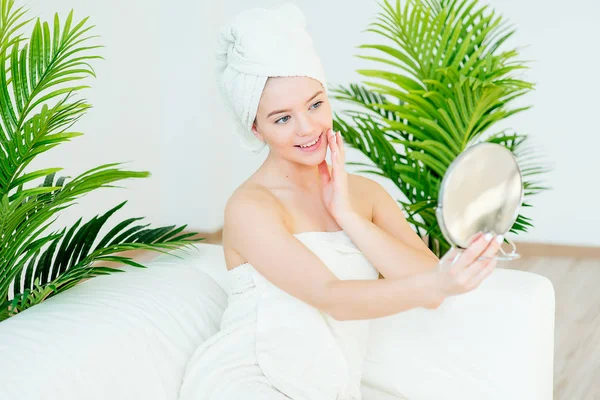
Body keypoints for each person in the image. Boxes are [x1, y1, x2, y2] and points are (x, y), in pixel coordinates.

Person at [178, 4, 503, 400]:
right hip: (254, 380)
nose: (308, 128)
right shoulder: (250, 208)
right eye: (282, 119)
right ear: (256, 128)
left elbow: (426, 284)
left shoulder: (364, 196)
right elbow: (331, 297)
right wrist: (438, 282)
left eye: (315, 104)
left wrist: (348, 215)